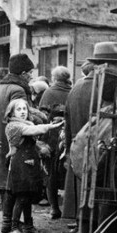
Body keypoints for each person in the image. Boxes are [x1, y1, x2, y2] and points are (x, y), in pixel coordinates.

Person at [64, 42, 117, 233]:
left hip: (83, 155)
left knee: (86, 215)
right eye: (116, 64)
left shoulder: (75, 89)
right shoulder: (110, 87)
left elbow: (69, 125)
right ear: (107, 65)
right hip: (103, 156)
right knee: (102, 216)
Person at [0, 53, 46, 233]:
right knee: (23, 186)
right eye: (29, 72)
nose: (31, 76)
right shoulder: (19, 90)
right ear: (22, 73)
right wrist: (41, 117)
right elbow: (25, 116)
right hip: (18, 144)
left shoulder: (2, 86)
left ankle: (7, 223)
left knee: (9, 185)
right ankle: (21, 225)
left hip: (2, 140)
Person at [5, 98, 63, 233]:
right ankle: (14, 227)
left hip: (29, 163)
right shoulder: (14, 126)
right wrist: (53, 126)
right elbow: (34, 129)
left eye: (25, 109)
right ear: (12, 112)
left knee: (28, 196)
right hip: (20, 164)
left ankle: (29, 227)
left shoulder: (25, 123)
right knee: (22, 196)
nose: (23, 112)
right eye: (19, 109)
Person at [39, 66, 72, 219]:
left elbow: (42, 116)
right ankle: (70, 208)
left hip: (51, 136)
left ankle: (54, 208)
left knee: (50, 172)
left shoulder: (49, 92)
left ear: (54, 78)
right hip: (67, 135)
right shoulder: (72, 91)